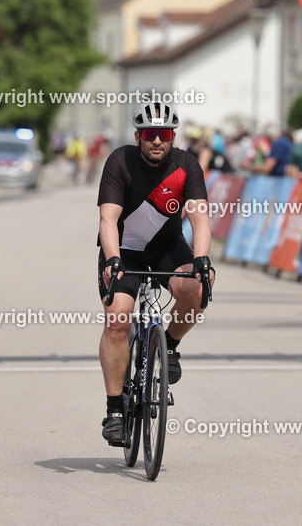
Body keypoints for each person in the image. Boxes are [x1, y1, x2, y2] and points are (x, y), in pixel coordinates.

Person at [96, 100, 215, 446]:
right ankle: (115, 410)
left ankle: (171, 348)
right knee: (118, 319)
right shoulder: (120, 161)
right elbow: (107, 218)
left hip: (166, 248)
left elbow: (199, 215)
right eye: (150, 134)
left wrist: (202, 259)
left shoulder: (187, 165)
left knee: (197, 288)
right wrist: (113, 259)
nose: (157, 141)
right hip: (124, 249)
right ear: (138, 136)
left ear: (173, 136)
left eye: (164, 134)